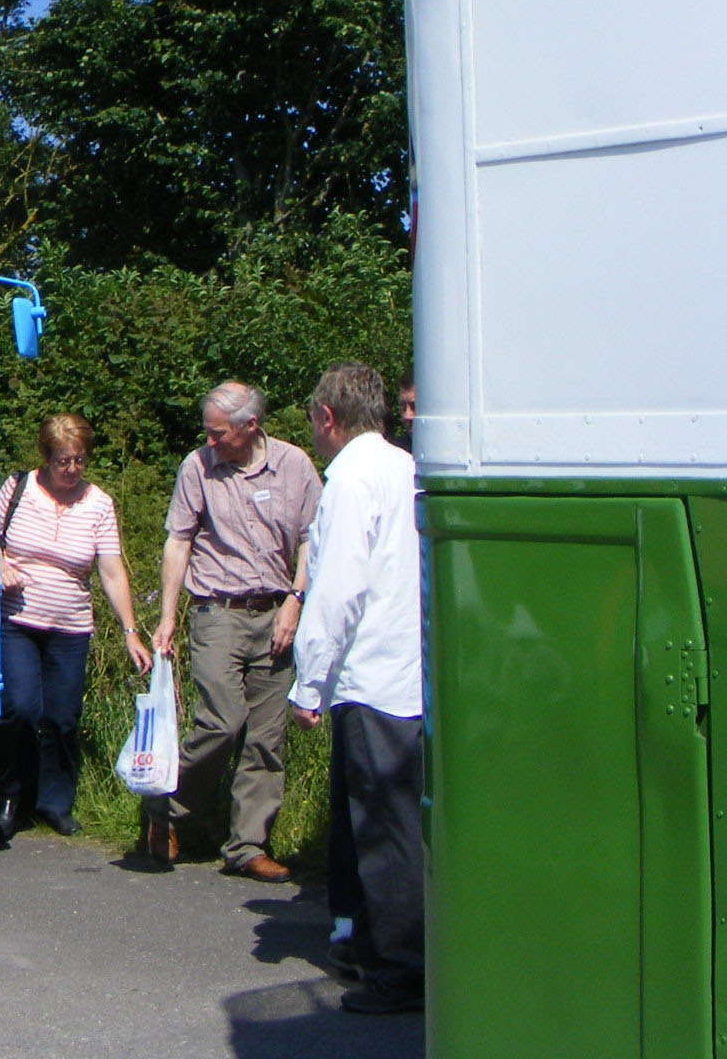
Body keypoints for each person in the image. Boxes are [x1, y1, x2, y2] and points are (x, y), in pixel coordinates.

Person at [289, 363, 425, 1016]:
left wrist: (308, 683)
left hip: (371, 673)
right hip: (410, 670)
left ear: (327, 418)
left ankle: (401, 969)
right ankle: (368, 946)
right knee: (384, 820)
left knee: (383, 828)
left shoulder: (347, 478)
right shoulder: (405, 466)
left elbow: (338, 587)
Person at [151, 380, 322, 881]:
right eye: (205, 432)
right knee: (222, 720)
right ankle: (165, 807)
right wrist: (166, 617)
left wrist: (296, 599)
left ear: (251, 427)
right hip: (217, 610)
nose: (209, 442)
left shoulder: (294, 466)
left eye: (218, 433)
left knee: (266, 736)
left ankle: (247, 846)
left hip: (276, 611)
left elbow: (315, 538)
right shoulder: (196, 467)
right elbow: (178, 541)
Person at [0, 414, 152, 839]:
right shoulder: (18, 488)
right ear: (45, 457)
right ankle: (11, 794)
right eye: (64, 461)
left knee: (62, 718)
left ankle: (54, 802)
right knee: (22, 709)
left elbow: (112, 570)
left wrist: (130, 630)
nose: (72, 470)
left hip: (71, 626)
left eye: (80, 460)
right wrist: (0, 562)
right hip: (18, 620)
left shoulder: (98, 503)